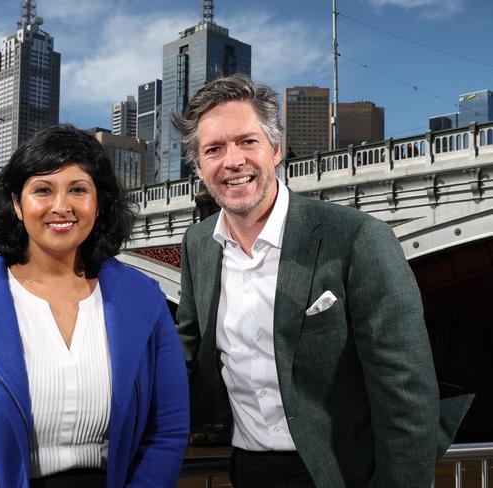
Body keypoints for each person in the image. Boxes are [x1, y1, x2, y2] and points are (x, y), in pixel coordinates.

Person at [172, 75, 472, 487]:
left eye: (248, 141)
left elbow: (405, 392)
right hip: (247, 469)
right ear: (199, 166)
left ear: (276, 150)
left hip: (340, 472)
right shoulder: (199, 244)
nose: (233, 160)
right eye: (214, 149)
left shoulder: (356, 238)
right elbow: (186, 352)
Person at [0, 124, 189, 488]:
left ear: (98, 203)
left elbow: (167, 432)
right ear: (17, 205)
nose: (61, 206)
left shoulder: (145, 300)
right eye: (42, 190)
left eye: (78, 189)